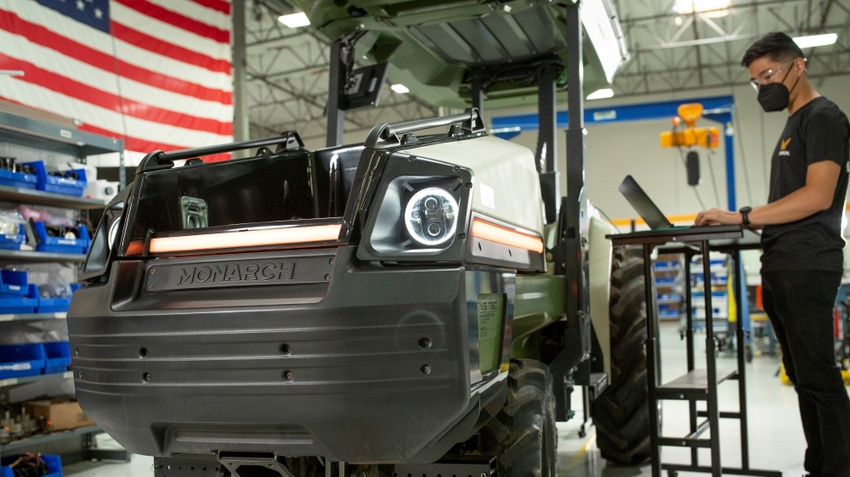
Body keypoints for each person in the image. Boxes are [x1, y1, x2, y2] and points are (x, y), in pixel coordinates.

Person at [695, 32, 850, 476]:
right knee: (802, 378)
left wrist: (740, 216)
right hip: (782, 263)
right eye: (756, 80)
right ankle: (818, 464)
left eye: (769, 74)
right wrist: (740, 219)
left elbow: (818, 197)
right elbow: (787, 204)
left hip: (808, 263)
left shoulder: (823, 117)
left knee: (819, 378)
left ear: (798, 66)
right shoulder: (792, 123)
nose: (764, 86)